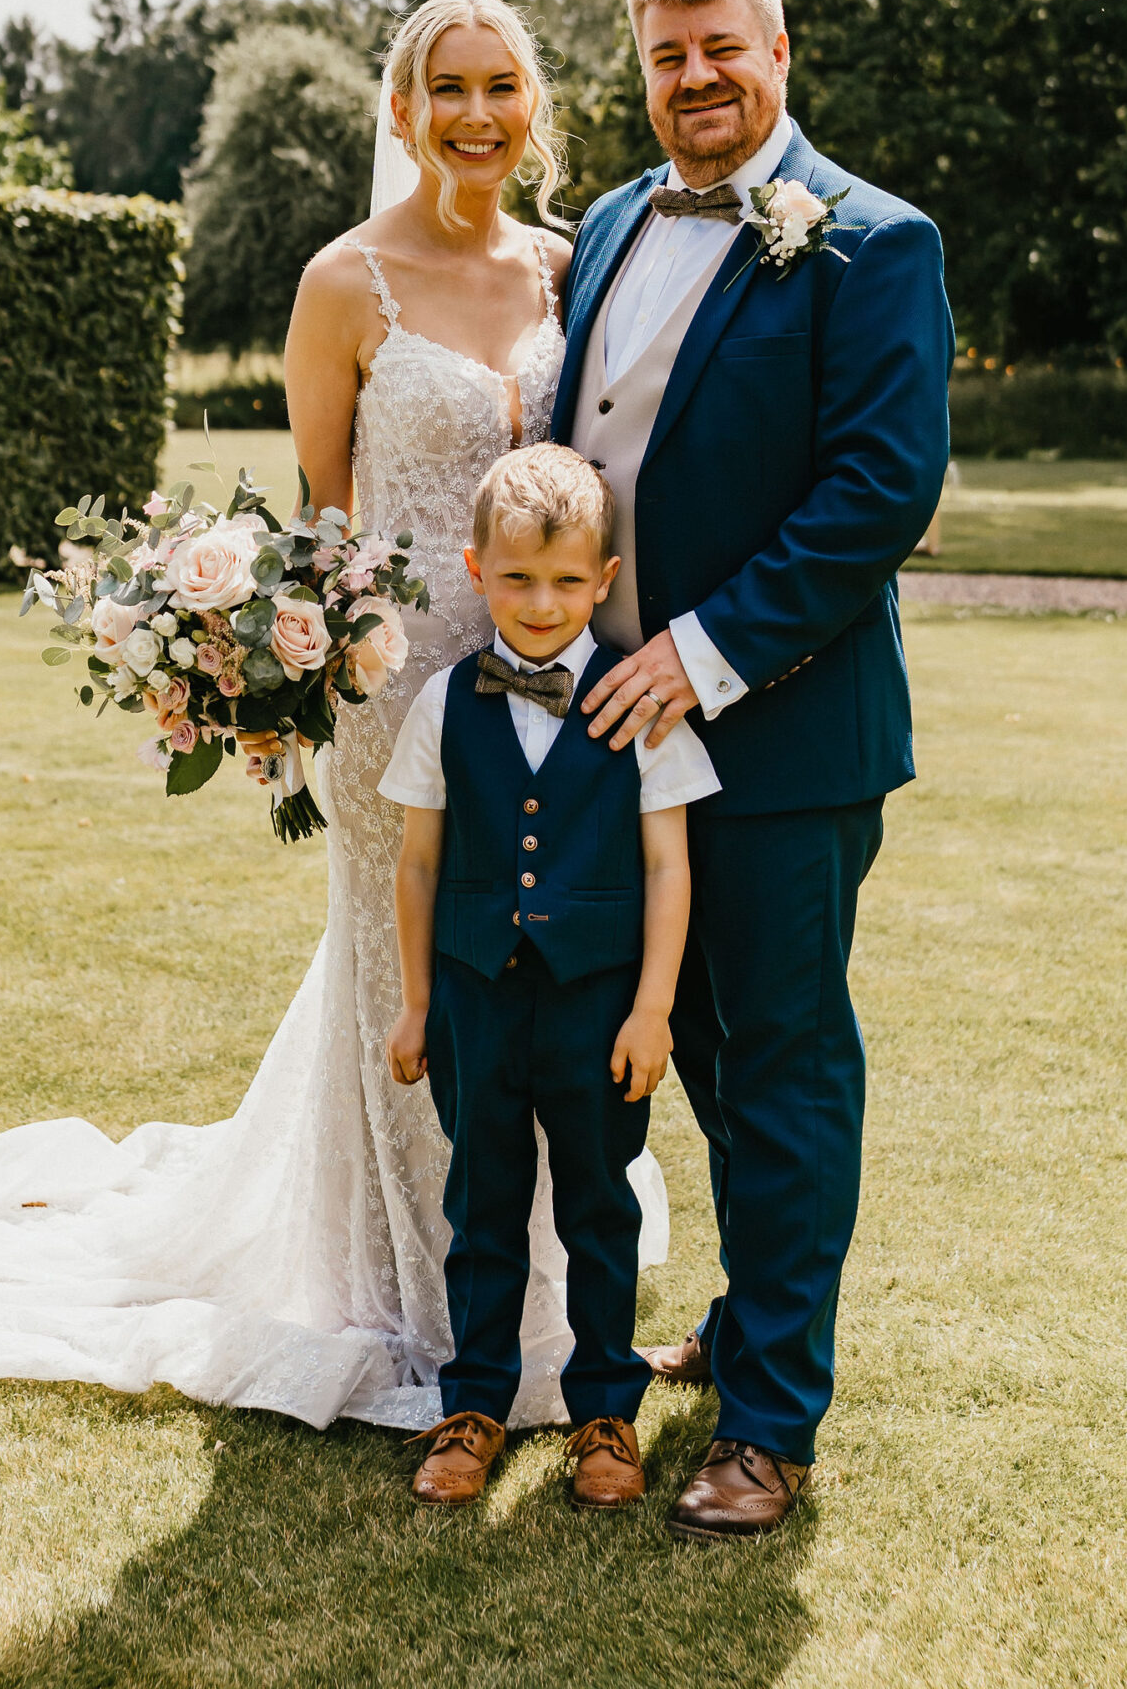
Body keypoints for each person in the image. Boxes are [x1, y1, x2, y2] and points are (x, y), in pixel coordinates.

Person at [0, 0, 668, 1434]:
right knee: (413, 993)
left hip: (558, 695)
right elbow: (322, 513)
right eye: (445, 87)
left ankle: (570, 1299)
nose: (474, 113)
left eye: (500, 85)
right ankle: (435, 1312)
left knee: (558, 970)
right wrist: (313, 667)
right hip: (400, 705)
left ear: (534, 106)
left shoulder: (573, 270)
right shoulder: (344, 285)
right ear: (401, 111)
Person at [551, 0, 953, 1539]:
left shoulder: (870, 242)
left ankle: (768, 1420)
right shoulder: (600, 226)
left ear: (777, 51)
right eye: (666, 56)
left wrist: (702, 655)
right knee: (692, 1056)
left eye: (721, 48)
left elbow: (879, 492)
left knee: (780, 1066)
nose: (695, 78)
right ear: (641, 69)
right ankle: (737, 1327)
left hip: (778, 739)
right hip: (610, 743)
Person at [382, 444, 717, 1509]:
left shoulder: (639, 701)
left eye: (568, 580)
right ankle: (473, 1403)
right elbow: (420, 859)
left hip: (596, 1005)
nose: (542, 601)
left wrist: (654, 1007)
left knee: (596, 1207)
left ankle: (605, 1411)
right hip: (475, 1000)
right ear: (477, 569)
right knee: (481, 1204)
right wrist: (418, 1002)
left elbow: (669, 861)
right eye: (518, 578)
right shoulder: (444, 703)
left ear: (604, 580)